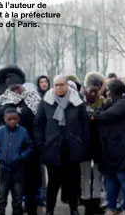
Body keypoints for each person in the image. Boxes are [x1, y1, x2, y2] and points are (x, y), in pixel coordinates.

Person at [34, 75, 90, 215]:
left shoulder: (77, 101)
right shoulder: (46, 101)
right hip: (52, 148)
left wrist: (82, 143)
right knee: (53, 182)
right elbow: (38, 124)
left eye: (61, 85)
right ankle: (50, 210)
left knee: (72, 181)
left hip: (72, 147)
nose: (58, 87)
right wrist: (42, 144)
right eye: (56, 85)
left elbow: (85, 124)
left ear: (67, 85)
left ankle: (74, 209)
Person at [0, 83, 42, 215]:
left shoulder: (33, 99)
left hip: (29, 149)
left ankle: (32, 210)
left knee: (31, 186)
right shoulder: (5, 100)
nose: (16, 90)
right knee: (10, 189)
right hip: (11, 153)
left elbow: (38, 120)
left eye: (18, 87)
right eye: (13, 88)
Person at [92, 79, 125, 215]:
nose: (107, 92)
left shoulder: (124, 103)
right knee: (109, 179)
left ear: (113, 90)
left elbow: (105, 116)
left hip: (121, 148)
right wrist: (102, 107)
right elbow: (99, 113)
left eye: (108, 89)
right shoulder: (110, 102)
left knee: (124, 178)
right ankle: (111, 208)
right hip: (109, 148)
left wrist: (99, 111)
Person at [0, 108, 32, 215]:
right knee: (2, 196)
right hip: (4, 170)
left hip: (18, 170)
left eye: (15, 119)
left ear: (18, 119)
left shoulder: (23, 132)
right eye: (9, 119)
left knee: (18, 198)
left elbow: (29, 147)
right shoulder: (0, 131)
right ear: (5, 119)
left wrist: (20, 157)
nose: (12, 121)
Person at [81, 72, 106, 215]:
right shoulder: (79, 100)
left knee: (97, 173)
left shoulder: (103, 101)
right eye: (91, 90)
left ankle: (96, 201)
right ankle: (86, 201)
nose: (94, 94)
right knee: (85, 173)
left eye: (97, 90)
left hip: (97, 142)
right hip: (85, 142)